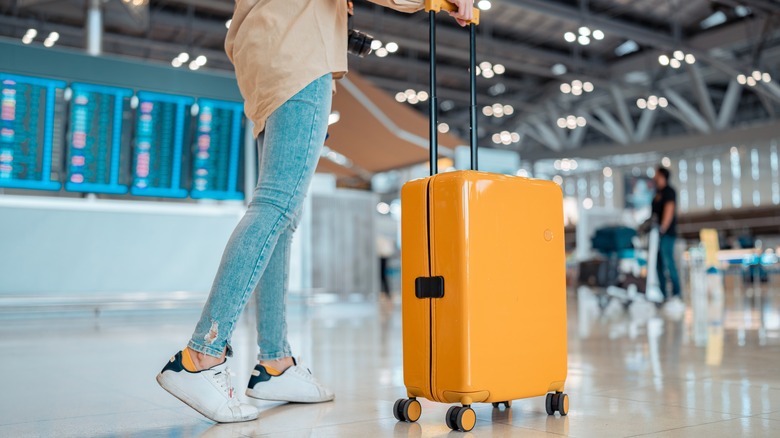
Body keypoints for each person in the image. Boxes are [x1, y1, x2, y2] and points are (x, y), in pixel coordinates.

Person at [156, 0, 475, 424]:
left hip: (265, 53)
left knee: (280, 217)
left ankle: (276, 364)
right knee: (274, 205)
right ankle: (201, 355)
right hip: (299, 54)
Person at [652, 166, 682, 304]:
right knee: (658, 264)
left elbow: (669, 211)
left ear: (662, 176)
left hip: (666, 234)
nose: (654, 177)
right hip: (655, 235)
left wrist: (662, 229)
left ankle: (677, 294)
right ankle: (663, 295)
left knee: (668, 262)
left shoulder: (669, 192)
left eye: (656, 175)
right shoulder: (657, 193)